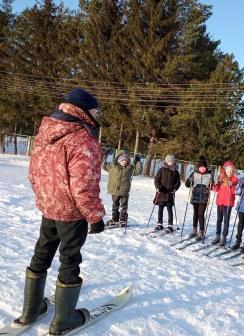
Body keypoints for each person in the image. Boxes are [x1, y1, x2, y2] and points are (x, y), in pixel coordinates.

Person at [15, 88, 106, 335]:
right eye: (96, 110)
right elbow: (83, 185)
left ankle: (30, 310)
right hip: (71, 213)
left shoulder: (46, 132)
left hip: (49, 206)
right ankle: (64, 319)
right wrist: (95, 216)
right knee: (70, 258)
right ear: (83, 110)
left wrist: (45, 197)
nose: (98, 115)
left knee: (42, 252)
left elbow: (34, 172)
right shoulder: (83, 140)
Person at [103, 150, 142, 226]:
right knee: (115, 206)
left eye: (126, 160)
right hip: (114, 190)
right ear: (118, 160)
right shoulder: (112, 166)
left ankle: (122, 220)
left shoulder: (130, 168)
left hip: (124, 191)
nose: (124, 162)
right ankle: (115, 219)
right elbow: (104, 165)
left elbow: (138, 171)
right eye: (122, 160)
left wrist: (138, 162)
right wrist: (106, 155)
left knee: (124, 206)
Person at [185, 156, 213, 240]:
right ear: (198, 167)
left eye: (204, 167)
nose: (202, 169)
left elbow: (212, 186)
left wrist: (212, 183)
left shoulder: (209, 175)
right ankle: (194, 230)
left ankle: (201, 231)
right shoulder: (194, 173)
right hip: (195, 196)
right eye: (201, 167)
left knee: (201, 214)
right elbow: (187, 185)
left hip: (204, 198)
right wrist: (190, 180)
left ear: (206, 167)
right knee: (196, 214)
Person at [211, 161, 239, 246]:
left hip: (228, 203)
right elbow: (216, 189)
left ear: (233, 171)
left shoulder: (235, 179)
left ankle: (224, 236)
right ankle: (218, 235)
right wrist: (214, 184)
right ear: (225, 170)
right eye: (228, 170)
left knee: (226, 220)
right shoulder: (221, 177)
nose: (229, 172)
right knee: (219, 219)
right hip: (220, 202)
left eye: (231, 170)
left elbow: (235, 191)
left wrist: (232, 185)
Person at [154, 154, 181, 233]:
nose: (170, 163)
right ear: (166, 161)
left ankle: (170, 225)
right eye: (169, 161)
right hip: (162, 192)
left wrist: (175, 188)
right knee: (160, 208)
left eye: (172, 161)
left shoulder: (175, 172)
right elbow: (156, 179)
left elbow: (178, 182)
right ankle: (159, 223)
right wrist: (157, 187)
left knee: (169, 208)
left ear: (174, 162)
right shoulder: (161, 170)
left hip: (170, 193)